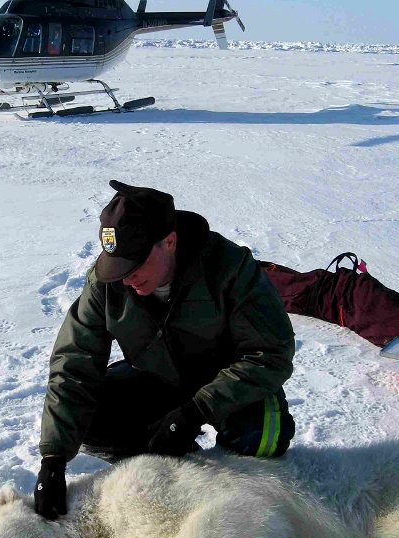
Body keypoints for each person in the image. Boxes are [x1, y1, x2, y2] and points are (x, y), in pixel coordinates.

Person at [33, 180, 296, 520]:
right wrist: (52, 459)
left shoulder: (229, 269)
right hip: (158, 378)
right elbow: (74, 362)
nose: (126, 280)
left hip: (231, 385)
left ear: (169, 242)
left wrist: (195, 412)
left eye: (135, 266)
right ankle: (168, 473)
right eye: (118, 268)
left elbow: (271, 354)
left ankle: (228, 509)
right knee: (91, 414)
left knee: (261, 441)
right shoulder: (107, 284)